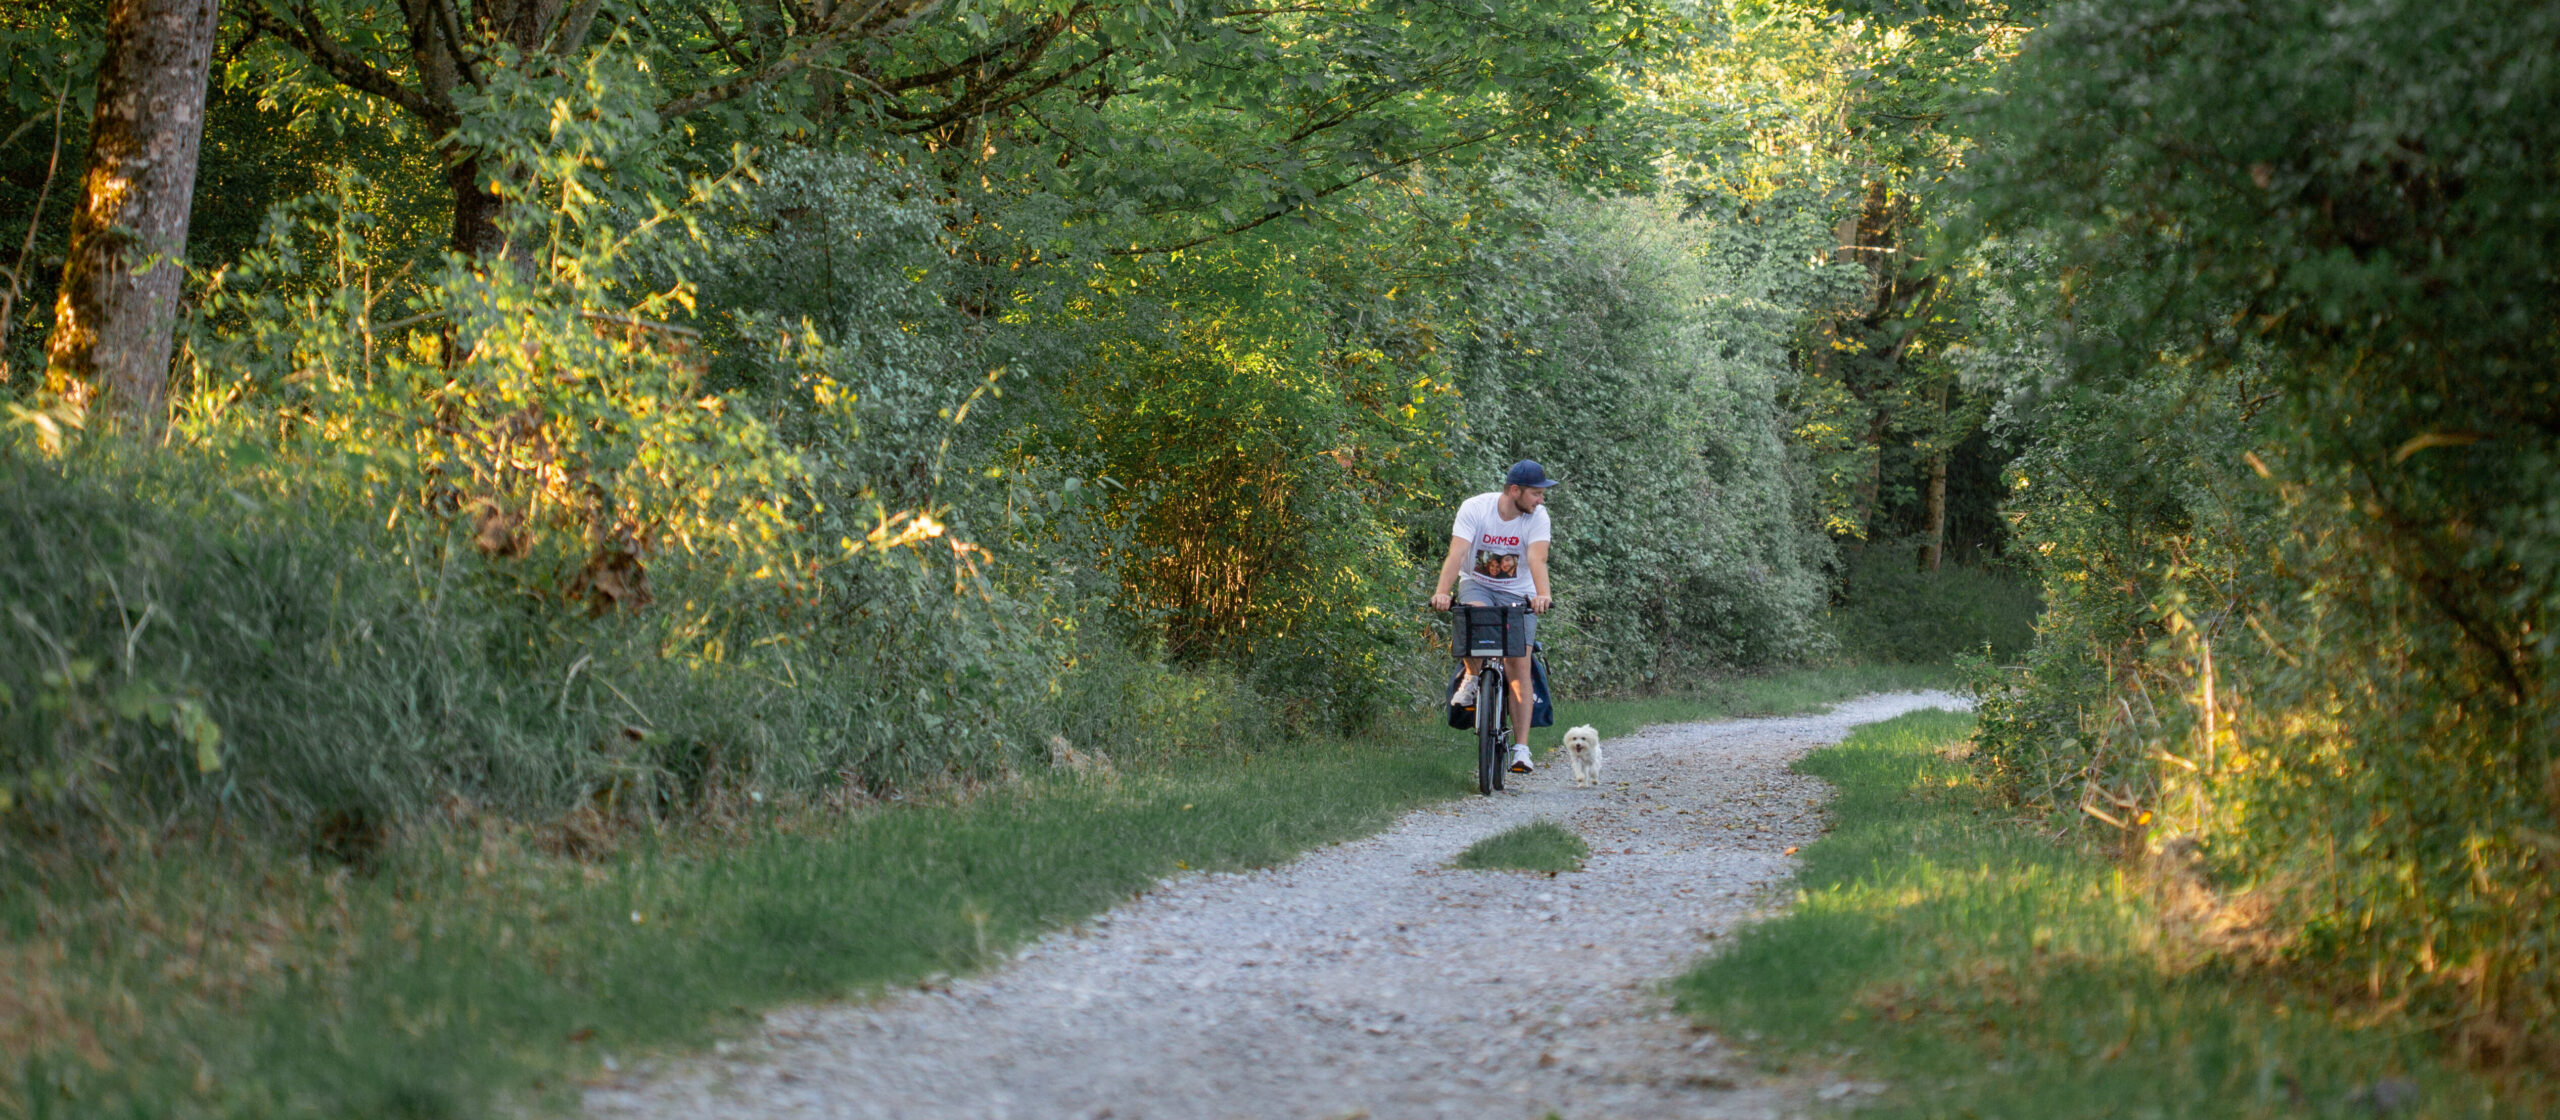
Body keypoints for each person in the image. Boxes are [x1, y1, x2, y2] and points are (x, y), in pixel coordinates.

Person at [1429, 460, 1556, 774]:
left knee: (1518, 665)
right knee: (1474, 619)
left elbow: (1537, 559)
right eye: (1535, 494)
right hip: (1478, 584)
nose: (1540, 500)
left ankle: (1521, 749)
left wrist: (1543, 595)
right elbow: (1457, 553)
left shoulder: (1537, 517)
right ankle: (1472, 677)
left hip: (1519, 592)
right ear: (1515, 491)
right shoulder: (1475, 509)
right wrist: (1442, 592)